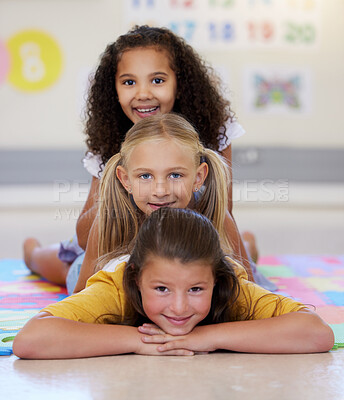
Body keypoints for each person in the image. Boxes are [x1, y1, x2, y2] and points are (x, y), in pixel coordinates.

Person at [23, 25, 267, 292]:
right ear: (113, 88)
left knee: (238, 259)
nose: (143, 93)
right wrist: (122, 190)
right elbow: (85, 237)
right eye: (129, 82)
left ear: (180, 82)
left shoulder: (212, 129)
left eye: (158, 80)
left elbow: (223, 214)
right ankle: (33, 254)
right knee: (69, 266)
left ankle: (249, 245)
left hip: (188, 243)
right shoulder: (110, 142)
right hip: (120, 243)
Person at [13, 207, 334, 359]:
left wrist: (204, 337)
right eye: (161, 289)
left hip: (218, 257)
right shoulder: (114, 287)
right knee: (56, 262)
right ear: (137, 279)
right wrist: (140, 341)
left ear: (215, 279)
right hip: (89, 263)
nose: (179, 307)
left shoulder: (228, 284)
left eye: (196, 289)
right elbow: (29, 341)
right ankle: (31, 251)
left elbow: (316, 332)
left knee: (246, 259)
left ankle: (248, 246)